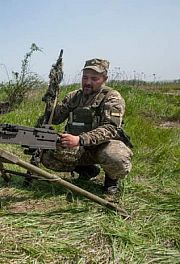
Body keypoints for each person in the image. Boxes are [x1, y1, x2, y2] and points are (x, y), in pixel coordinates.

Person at [40, 58, 133, 195]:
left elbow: (110, 128)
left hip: (102, 146)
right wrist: (50, 102)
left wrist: (80, 139)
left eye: (94, 78)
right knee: (47, 155)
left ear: (104, 79)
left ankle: (111, 180)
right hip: (78, 147)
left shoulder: (112, 97)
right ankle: (87, 170)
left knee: (115, 157)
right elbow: (56, 119)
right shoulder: (74, 96)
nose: (88, 82)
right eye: (85, 77)